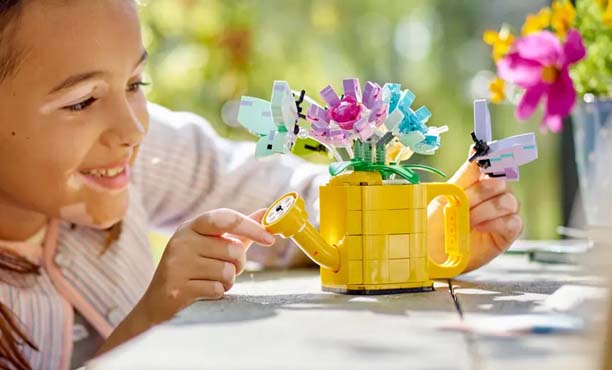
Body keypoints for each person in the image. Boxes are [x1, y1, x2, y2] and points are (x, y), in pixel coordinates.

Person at [0, 1, 523, 368]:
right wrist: (151, 318)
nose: (134, 128)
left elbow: (279, 194)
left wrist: (414, 236)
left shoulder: (142, 152)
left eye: (136, 84)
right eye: (82, 101)